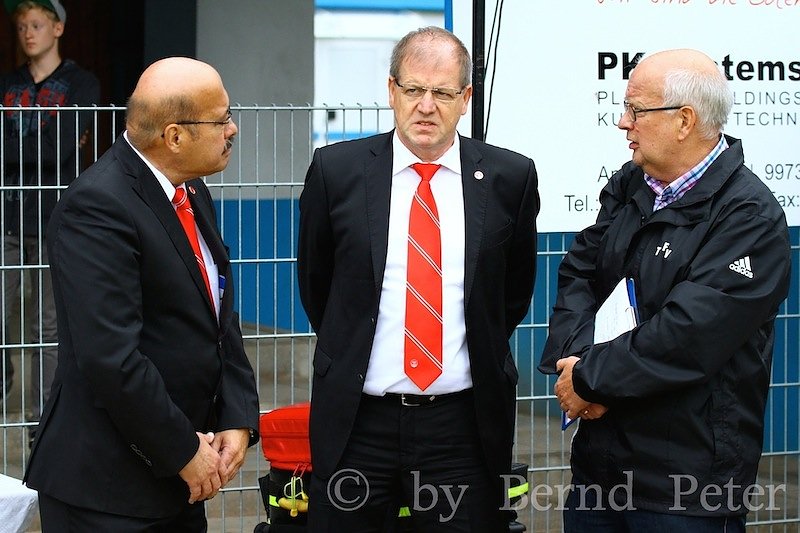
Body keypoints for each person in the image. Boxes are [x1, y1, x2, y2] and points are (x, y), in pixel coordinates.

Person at [298, 26, 539, 533]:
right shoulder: (336, 170)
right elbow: (318, 285)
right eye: (413, 90)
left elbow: (511, 294)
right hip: (358, 424)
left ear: (466, 98)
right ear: (391, 91)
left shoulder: (509, 178)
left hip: (462, 429)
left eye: (443, 93)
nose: (426, 106)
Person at [539, 48, 791, 532]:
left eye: (635, 109)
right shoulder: (631, 184)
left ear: (684, 121)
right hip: (600, 471)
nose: (622, 122)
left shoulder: (748, 217)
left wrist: (589, 379)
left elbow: (689, 335)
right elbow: (578, 274)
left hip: (686, 489)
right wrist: (576, 365)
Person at [24, 56, 260, 532]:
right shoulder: (97, 207)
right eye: (222, 119)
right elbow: (110, 358)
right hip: (108, 493)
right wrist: (182, 450)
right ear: (174, 136)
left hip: (179, 482)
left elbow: (218, 315)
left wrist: (237, 416)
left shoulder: (189, 190)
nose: (232, 129)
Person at [1, 0, 99, 427]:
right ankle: (3, 384)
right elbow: (53, 147)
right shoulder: (8, 83)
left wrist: (25, 151)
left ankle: (47, 421)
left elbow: (59, 148)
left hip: (55, 220)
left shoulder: (81, 84)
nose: (27, 33)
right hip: (6, 217)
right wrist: (48, 150)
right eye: (21, 25)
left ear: (58, 28)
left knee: (47, 328)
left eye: (37, 24)